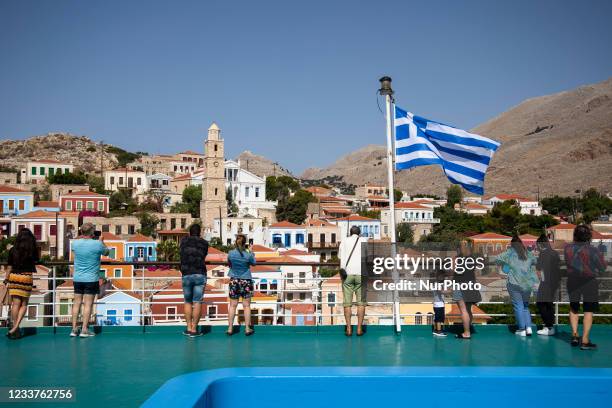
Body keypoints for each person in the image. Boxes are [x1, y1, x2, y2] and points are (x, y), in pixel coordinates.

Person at [565, 225, 606, 350]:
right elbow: (602, 267)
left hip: (572, 281)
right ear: (588, 236)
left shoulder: (567, 248)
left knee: (574, 307)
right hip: (589, 282)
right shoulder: (593, 250)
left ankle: (574, 335)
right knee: (588, 310)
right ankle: (585, 340)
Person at [70, 222, 109, 338]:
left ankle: (73, 329)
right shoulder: (97, 244)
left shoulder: (75, 243)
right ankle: (84, 329)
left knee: (76, 303)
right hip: (91, 278)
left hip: (77, 277)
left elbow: (74, 254)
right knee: (88, 304)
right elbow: (106, 252)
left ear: (81, 232)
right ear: (92, 232)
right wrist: (101, 241)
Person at [497, 234, 538, 337]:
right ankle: (528, 328)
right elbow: (534, 263)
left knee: (518, 305)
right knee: (525, 306)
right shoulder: (528, 254)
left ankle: (521, 329)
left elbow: (505, 269)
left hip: (514, 283)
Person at [5, 229, 38, 340]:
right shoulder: (32, 250)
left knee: (15, 304)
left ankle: (16, 329)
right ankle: (15, 327)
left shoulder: (13, 250)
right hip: (26, 277)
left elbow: (9, 266)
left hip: (14, 277)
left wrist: (6, 279)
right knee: (24, 305)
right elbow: (37, 260)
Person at [179, 223, 209, 338]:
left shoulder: (183, 241)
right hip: (200, 273)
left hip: (186, 273)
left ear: (189, 233)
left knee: (187, 301)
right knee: (197, 302)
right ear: (200, 233)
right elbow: (203, 255)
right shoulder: (204, 243)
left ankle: (188, 328)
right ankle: (194, 329)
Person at [339, 226, 368, 336]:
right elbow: (367, 257)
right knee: (361, 303)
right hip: (361, 274)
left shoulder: (345, 241)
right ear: (359, 233)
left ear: (350, 233)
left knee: (347, 303)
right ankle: (359, 329)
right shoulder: (364, 240)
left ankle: (349, 329)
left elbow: (339, 256)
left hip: (347, 274)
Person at [226, 234, 256, 336]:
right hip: (246, 280)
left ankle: (230, 328)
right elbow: (254, 263)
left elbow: (229, 263)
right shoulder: (247, 255)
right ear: (245, 243)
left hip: (234, 280)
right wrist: (251, 251)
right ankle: (247, 328)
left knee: (232, 306)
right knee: (246, 306)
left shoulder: (230, 253)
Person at [453, 243, 482, 339]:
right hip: (471, 285)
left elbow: (454, 270)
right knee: (468, 309)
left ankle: (466, 332)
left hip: (460, 285)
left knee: (463, 310)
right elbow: (476, 272)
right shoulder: (472, 259)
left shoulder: (456, 259)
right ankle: (468, 329)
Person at [535, 234, 561, 336]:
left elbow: (538, 269)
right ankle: (550, 327)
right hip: (554, 283)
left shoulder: (543, 254)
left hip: (546, 282)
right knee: (549, 304)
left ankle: (548, 326)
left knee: (540, 303)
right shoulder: (555, 253)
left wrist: (541, 279)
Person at [432, 270, 447, 337]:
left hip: (440, 303)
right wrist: (451, 291)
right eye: (442, 276)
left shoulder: (438, 283)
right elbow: (441, 291)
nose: (443, 277)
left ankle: (436, 330)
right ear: (438, 276)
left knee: (439, 317)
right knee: (439, 318)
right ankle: (439, 331)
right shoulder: (437, 283)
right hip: (438, 303)